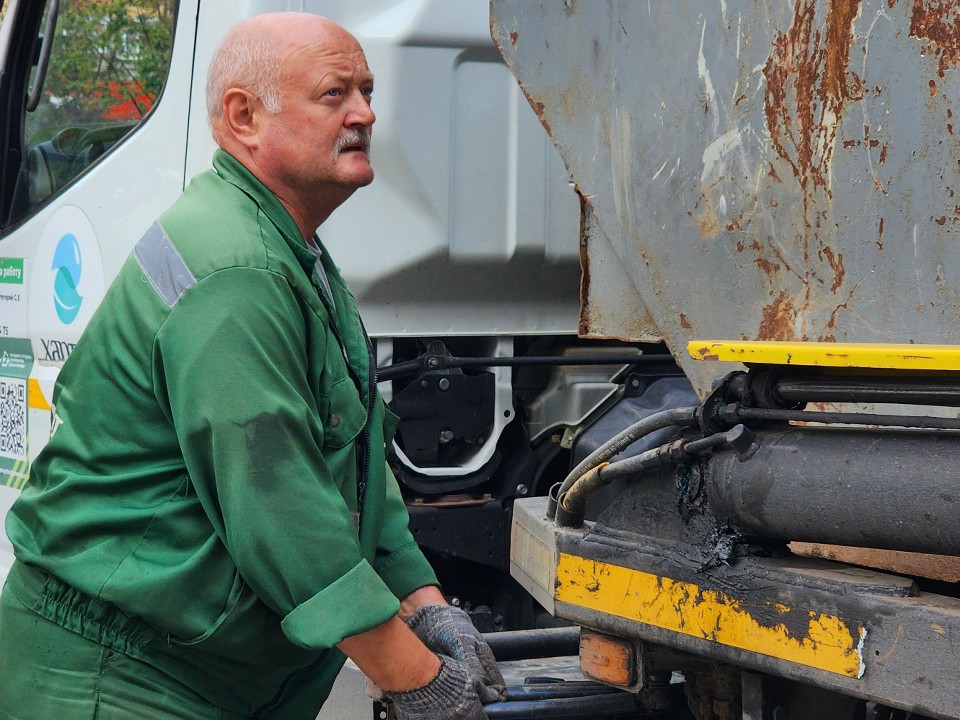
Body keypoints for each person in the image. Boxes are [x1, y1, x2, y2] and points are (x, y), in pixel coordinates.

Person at [0, 13, 504, 720]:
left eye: (366, 91)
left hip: (189, 674)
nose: (366, 112)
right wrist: (413, 673)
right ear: (244, 117)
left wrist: (423, 602)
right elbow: (282, 506)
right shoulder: (237, 267)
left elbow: (350, 468)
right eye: (336, 94)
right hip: (118, 677)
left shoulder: (286, 249)